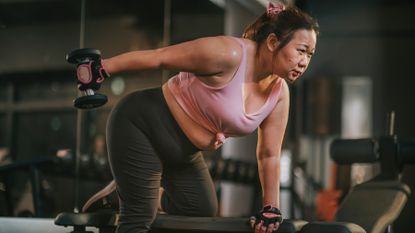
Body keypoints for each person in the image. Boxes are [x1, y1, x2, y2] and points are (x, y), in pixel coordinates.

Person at [79, 2, 319, 233]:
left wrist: (271, 207)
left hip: (184, 152)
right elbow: (160, 57)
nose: (305, 62)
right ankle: (135, 196)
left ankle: (122, 194)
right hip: (142, 124)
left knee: (200, 208)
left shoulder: (279, 94)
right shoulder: (229, 54)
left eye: (310, 54)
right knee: (140, 216)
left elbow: (269, 154)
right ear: (273, 42)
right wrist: (102, 68)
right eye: (301, 51)